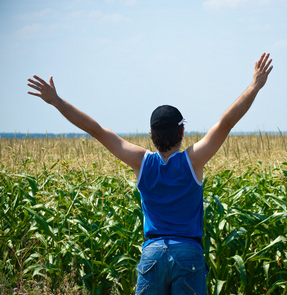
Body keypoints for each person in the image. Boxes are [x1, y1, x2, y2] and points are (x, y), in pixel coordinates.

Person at [27, 52, 273, 295]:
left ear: (152, 135)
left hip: (152, 254)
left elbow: (96, 130)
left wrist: (57, 102)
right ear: (182, 132)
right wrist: (254, 86)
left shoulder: (141, 162)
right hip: (188, 254)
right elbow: (226, 123)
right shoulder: (193, 160)